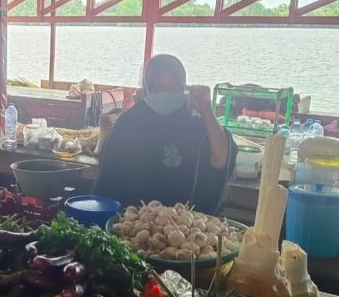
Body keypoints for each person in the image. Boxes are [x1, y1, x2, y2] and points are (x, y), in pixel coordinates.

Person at [93, 54, 236, 214]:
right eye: (159, 86)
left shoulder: (193, 124)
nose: (165, 92)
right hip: (133, 220)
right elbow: (108, 178)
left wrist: (206, 109)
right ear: (148, 88)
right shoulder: (129, 122)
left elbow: (220, 160)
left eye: (172, 86)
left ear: (183, 88)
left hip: (182, 222)